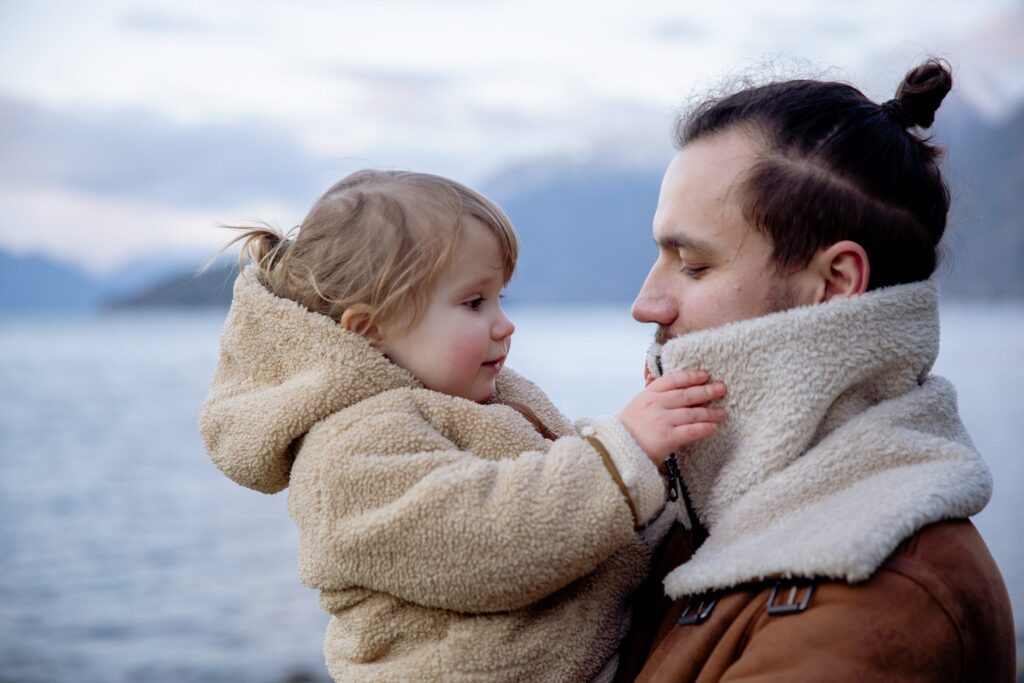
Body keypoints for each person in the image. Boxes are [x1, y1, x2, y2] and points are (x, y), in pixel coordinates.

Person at [198, 170, 725, 682]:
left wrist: (648, 444)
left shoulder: (467, 397)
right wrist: (623, 450)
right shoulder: (346, 458)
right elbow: (488, 541)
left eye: (500, 298)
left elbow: (540, 469)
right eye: (474, 302)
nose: (504, 322)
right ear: (371, 328)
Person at [615, 59, 1016, 681]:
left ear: (832, 283)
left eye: (692, 265)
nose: (646, 305)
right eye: (657, 256)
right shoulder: (692, 512)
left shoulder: (879, 595)